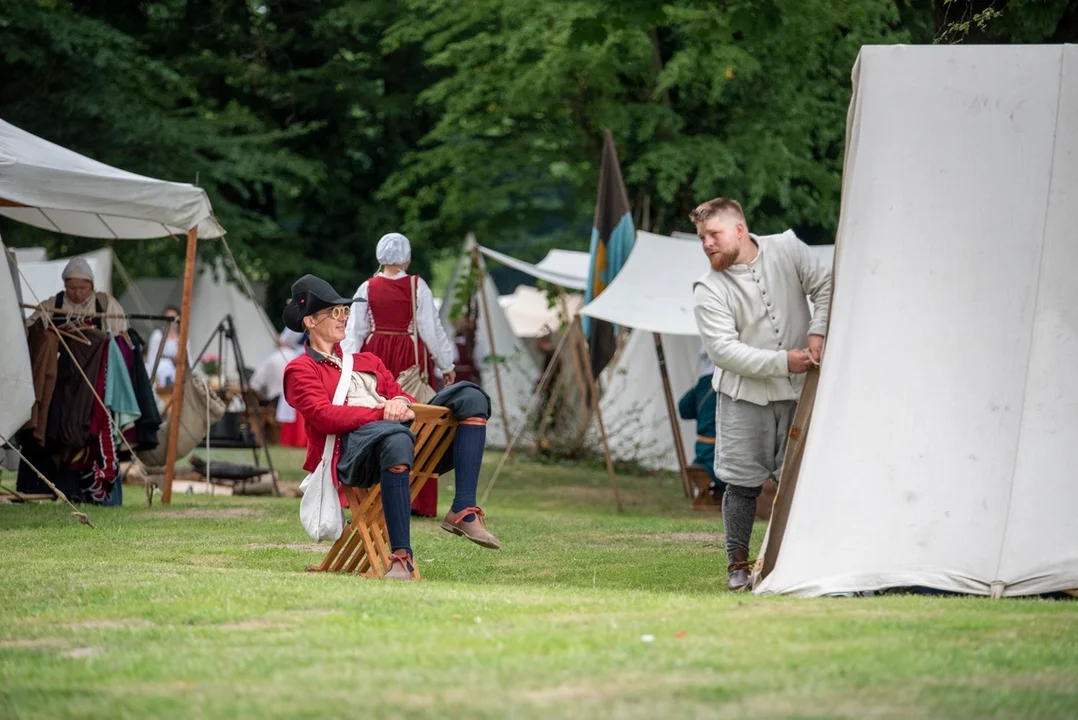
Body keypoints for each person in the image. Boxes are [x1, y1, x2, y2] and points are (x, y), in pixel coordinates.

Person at [282, 274, 500, 581]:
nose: (343, 318)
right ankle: (401, 558)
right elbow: (325, 416)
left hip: (405, 439)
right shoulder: (300, 369)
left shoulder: (368, 360)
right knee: (396, 436)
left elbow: (405, 397)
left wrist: (400, 400)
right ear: (310, 322)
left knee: (470, 395)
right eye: (335, 312)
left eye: (345, 311)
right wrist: (383, 410)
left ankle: (463, 509)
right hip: (353, 456)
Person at [691, 197, 831, 592]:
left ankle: (804, 556)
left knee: (804, 480)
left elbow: (827, 285)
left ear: (739, 229)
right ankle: (737, 563)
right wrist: (784, 361)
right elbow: (724, 352)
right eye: (702, 237)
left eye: (713, 234)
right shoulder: (708, 288)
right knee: (741, 483)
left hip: (801, 393)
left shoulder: (787, 247)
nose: (707, 244)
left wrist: (817, 331)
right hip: (743, 398)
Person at [343, 232, 456, 517]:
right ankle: (414, 499)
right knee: (416, 419)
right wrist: (447, 365)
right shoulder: (418, 285)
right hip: (409, 356)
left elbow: (354, 331)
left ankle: (370, 492)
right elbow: (431, 329)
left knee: (374, 413)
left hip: (374, 354)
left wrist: (347, 368)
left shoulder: (366, 287)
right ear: (406, 257)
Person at [25, 257, 128, 335]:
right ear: (65, 286)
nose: (77, 293)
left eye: (82, 288)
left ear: (91, 286)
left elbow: (120, 332)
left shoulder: (105, 303)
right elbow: (29, 327)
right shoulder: (53, 304)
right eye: (72, 288)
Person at [677, 343, 724, 501]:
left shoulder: (701, 385)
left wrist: (702, 415)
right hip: (718, 452)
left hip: (703, 450)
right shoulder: (728, 383)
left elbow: (684, 409)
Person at [144, 305, 184, 388]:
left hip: (178, 369)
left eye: (173, 318)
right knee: (166, 366)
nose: (170, 321)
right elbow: (152, 358)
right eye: (167, 318)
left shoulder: (182, 337)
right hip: (161, 370)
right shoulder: (158, 335)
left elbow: (188, 359)